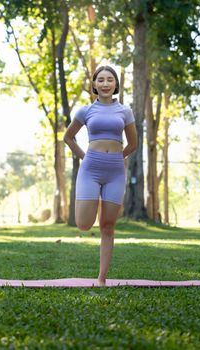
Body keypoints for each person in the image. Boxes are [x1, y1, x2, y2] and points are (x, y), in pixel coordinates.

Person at [64, 65, 137, 286]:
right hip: (90, 169)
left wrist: (117, 158)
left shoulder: (125, 112)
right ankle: (92, 201)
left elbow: (133, 144)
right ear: (94, 84)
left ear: (115, 84)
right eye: (101, 80)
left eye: (110, 80)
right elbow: (68, 137)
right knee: (84, 225)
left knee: (107, 226)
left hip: (115, 171)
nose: (105, 84)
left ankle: (102, 278)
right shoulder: (85, 111)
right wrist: (85, 157)